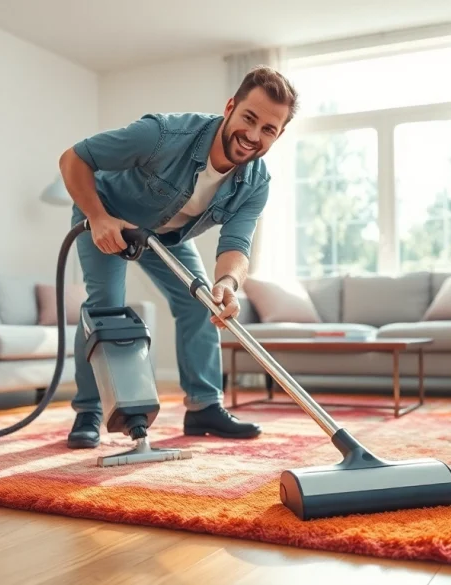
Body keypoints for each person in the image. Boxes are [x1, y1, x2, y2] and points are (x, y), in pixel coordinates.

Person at [58, 65, 298, 449]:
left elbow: (237, 245)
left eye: (268, 129)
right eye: (248, 118)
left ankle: (204, 406)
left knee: (204, 302)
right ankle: (88, 410)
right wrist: (98, 217)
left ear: (279, 133)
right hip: (106, 214)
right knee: (105, 308)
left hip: (166, 233)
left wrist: (226, 284)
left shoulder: (256, 182)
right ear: (230, 106)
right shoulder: (164, 135)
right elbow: (74, 159)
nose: (253, 136)